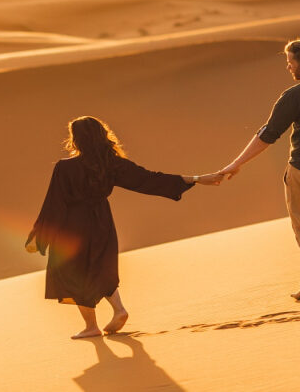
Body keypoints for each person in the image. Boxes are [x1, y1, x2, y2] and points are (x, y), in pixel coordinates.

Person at [25, 116, 222, 339]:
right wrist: (196, 178)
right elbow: (148, 180)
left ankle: (91, 326)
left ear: (76, 139)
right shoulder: (112, 164)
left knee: (73, 274)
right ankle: (119, 309)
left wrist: (40, 236)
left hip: (73, 225)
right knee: (100, 266)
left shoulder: (65, 168)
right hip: (101, 221)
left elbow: (54, 203)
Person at [218, 39, 300, 300]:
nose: (288, 66)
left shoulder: (293, 97)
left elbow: (268, 134)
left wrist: (235, 163)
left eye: (291, 60)